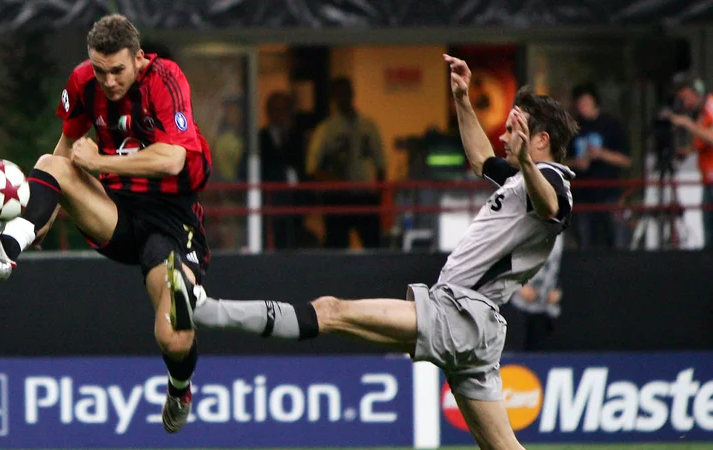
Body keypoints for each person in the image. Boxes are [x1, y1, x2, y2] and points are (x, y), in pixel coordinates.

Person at [169, 54, 578, 449]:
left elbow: (551, 207)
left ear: (540, 140)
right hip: (474, 323)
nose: (504, 137)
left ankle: (203, 309)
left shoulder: (552, 182)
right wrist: (461, 100)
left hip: (460, 314)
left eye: (514, 130)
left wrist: (525, 161)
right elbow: (480, 158)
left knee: (331, 311)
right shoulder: (521, 178)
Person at [0, 14, 211, 434]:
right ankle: (6, 249)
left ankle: (180, 388)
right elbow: (67, 147)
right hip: (117, 210)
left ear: (138, 59)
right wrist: (43, 207)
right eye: (100, 70)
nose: (108, 81)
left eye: (117, 70)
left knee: (171, 335)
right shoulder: (83, 81)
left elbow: (173, 158)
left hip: (172, 223)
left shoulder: (165, 79)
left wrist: (101, 161)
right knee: (50, 163)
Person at [307, 77, 386, 248]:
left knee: (373, 244)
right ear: (333, 98)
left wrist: (379, 196)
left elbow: (381, 164)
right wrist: (335, 183)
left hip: (364, 195)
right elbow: (313, 168)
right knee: (336, 247)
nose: (343, 97)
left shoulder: (367, 126)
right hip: (337, 197)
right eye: (338, 94)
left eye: (346, 93)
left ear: (352, 94)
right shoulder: (327, 129)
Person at [565, 83, 631, 249]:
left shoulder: (611, 126)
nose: (583, 108)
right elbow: (560, 162)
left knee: (616, 239)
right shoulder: (572, 129)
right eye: (580, 104)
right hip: (582, 195)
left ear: (595, 102)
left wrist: (602, 154)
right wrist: (576, 163)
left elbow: (626, 160)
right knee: (585, 242)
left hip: (609, 193)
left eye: (586, 103)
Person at [661, 76, 713, 248]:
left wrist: (687, 123)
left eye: (685, 96)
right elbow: (703, 143)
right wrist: (686, 151)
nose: (683, 101)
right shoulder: (699, 114)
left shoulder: (710, 104)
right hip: (708, 180)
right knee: (708, 237)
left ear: (696, 92)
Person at [259, 91, 306, 249]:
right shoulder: (260, 138)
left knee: (293, 240)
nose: (281, 115)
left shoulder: (296, 137)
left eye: (285, 110)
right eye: (276, 110)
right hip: (270, 200)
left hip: (294, 201)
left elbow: (302, 166)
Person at [509, 233, 564, 351]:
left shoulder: (558, 234)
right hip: (519, 307)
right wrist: (518, 287)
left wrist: (559, 289)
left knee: (544, 352)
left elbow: (562, 265)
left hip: (547, 309)